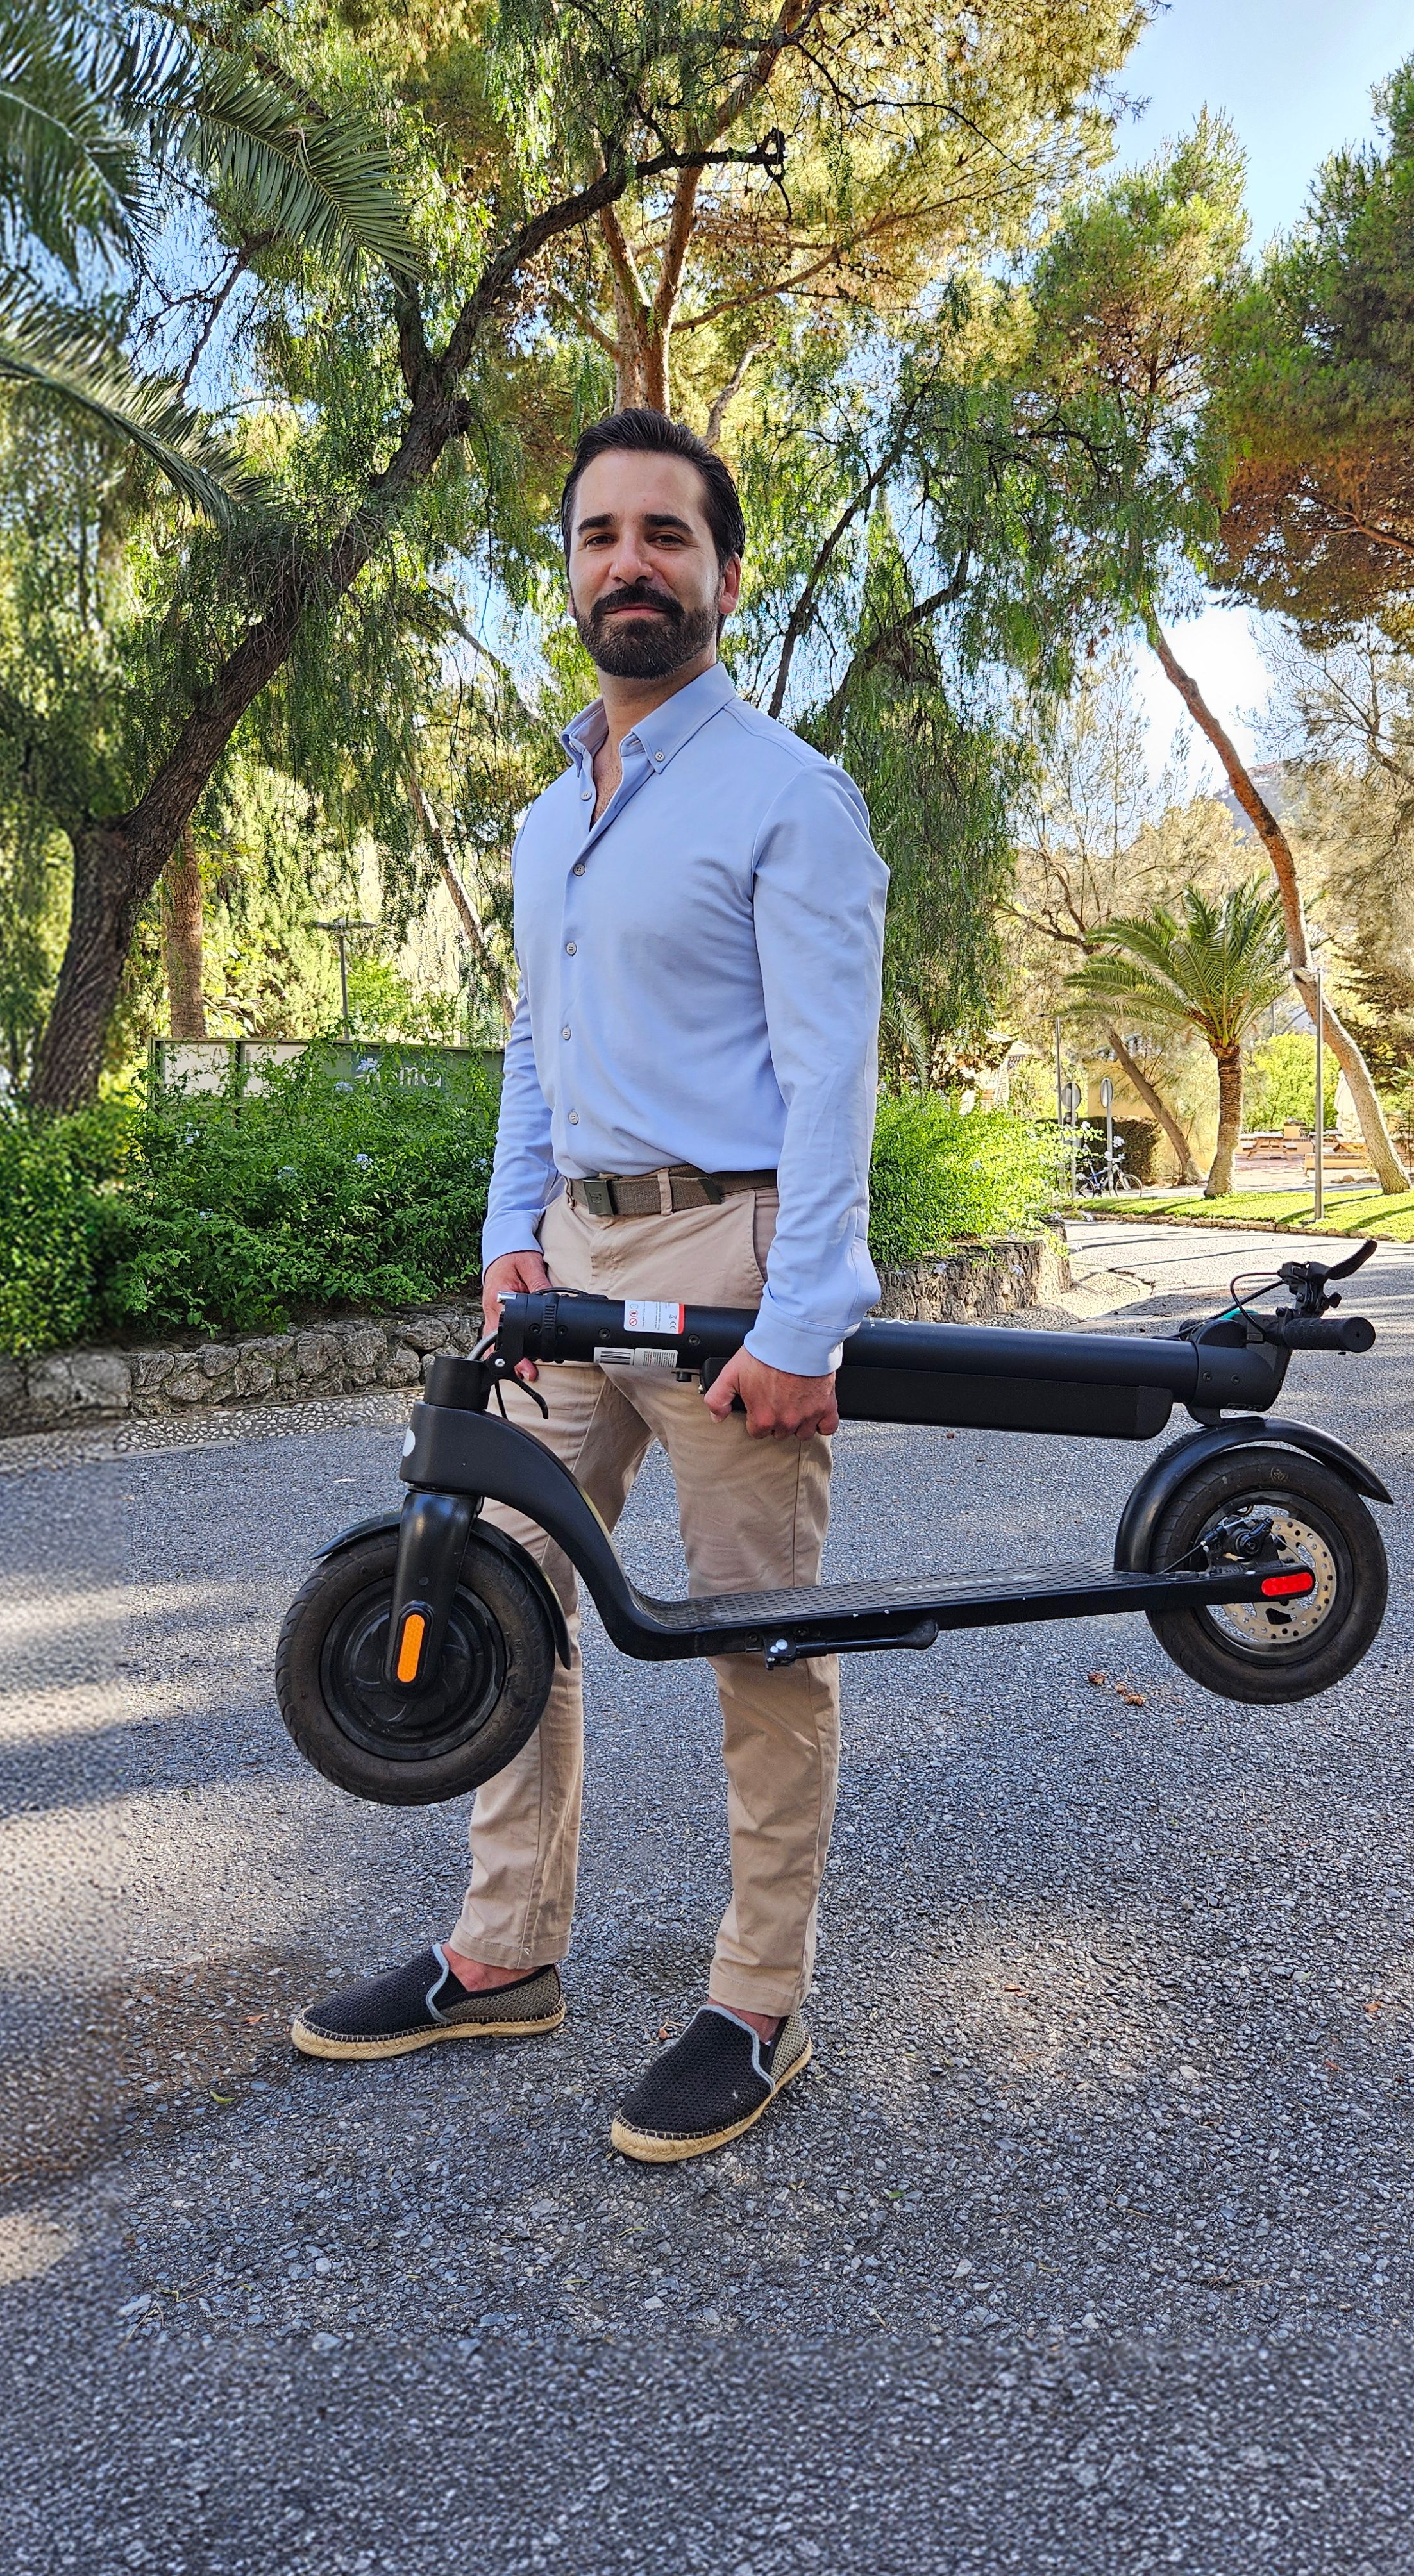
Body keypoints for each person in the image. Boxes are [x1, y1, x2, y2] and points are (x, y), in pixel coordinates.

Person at [291, 407, 888, 2164]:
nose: (628, 562)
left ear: (721, 572)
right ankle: (503, 1951)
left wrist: (804, 1317)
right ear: (568, 571)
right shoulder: (552, 816)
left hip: (730, 1254)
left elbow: (830, 1070)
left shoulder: (789, 793)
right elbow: (533, 1057)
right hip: (568, 1267)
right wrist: (506, 1229)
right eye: (597, 535)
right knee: (497, 1604)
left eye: (665, 535)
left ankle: (754, 2001)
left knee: (753, 1637)